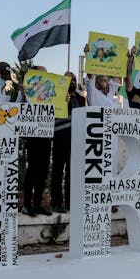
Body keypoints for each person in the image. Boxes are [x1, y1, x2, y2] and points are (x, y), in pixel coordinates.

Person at [50, 72, 85, 213]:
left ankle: (71, 203)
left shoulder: (81, 99)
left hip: (76, 139)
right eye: (69, 80)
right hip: (60, 137)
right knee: (58, 171)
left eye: (74, 80)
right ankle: (56, 203)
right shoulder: (56, 96)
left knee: (73, 172)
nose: (72, 82)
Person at [20, 65, 52, 216]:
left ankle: (38, 203)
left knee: (43, 171)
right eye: (41, 74)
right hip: (33, 135)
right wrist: (23, 95)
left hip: (46, 134)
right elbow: (18, 108)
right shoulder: (26, 90)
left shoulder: (49, 92)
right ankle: (27, 205)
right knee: (32, 170)